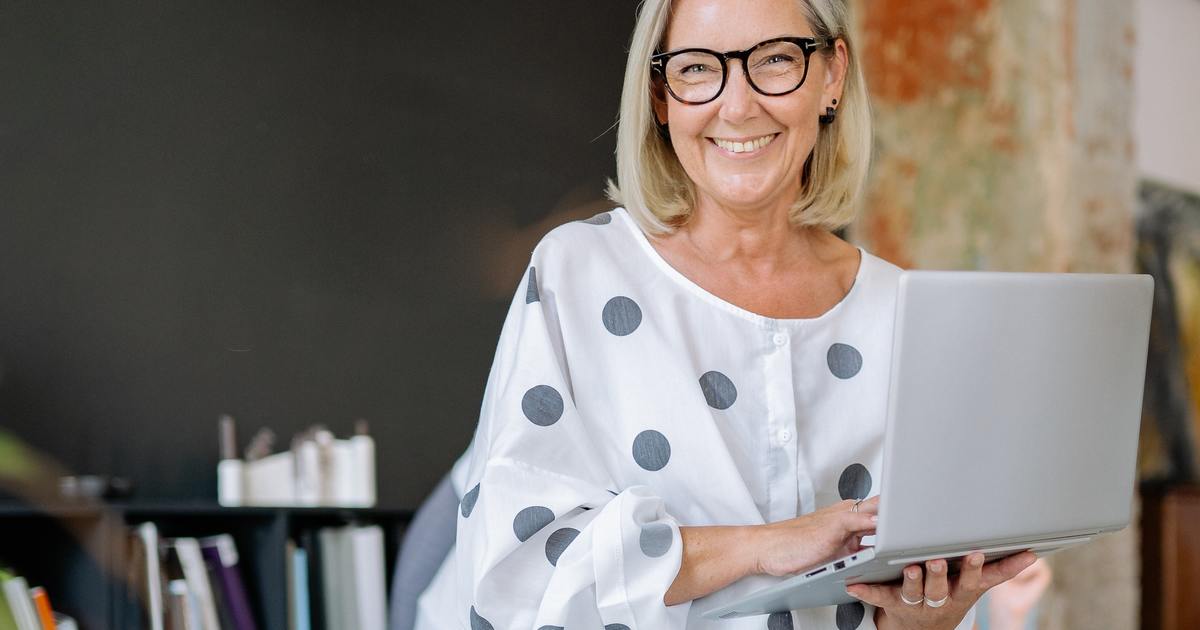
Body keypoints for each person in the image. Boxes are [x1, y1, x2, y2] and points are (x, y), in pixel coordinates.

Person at [414, 0, 1037, 628]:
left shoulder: (904, 314)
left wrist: (924, 615)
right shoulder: (577, 275)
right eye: (695, 69)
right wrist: (764, 545)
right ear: (660, 97)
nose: (736, 106)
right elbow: (517, 575)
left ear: (832, 76)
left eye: (773, 60)